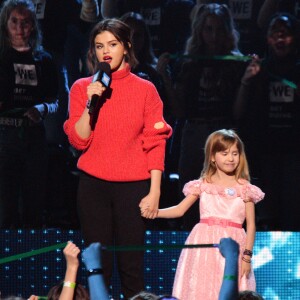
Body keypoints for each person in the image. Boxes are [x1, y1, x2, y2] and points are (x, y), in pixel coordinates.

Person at [63, 18, 172, 299]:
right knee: (98, 267)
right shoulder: (81, 88)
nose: (106, 52)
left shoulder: (145, 89)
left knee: (131, 268)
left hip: (134, 188)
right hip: (93, 187)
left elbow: (156, 142)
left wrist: (155, 191)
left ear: (127, 46)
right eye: (99, 46)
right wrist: (91, 102)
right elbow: (78, 140)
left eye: (112, 44)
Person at [141, 129, 264, 300]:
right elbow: (179, 209)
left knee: (231, 284)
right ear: (213, 156)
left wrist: (247, 257)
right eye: (225, 153)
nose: (231, 158)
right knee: (201, 287)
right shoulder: (202, 185)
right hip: (204, 243)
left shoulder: (245, 188)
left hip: (233, 243)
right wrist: (155, 213)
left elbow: (250, 225)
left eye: (235, 153)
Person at [158, 3, 247, 230]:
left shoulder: (236, 64)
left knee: (226, 199)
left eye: (219, 30)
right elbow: (179, 111)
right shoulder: (189, 63)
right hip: (195, 132)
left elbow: (238, 112)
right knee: (190, 196)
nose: (214, 36)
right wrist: (165, 78)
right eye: (209, 29)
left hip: (224, 133)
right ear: (200, 31)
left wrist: (247, 79)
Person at [234, 13, 300, 231]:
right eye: (275, 33)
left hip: (294, 151)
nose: (280, 39)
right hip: (266, 152)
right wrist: (250, 80)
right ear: (267, 39)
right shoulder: (260, 68)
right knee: (268, 214)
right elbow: (241, 113)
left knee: (292, 213)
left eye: (286, 34)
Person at [0, 0, 58, 228]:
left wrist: (41, 109)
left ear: (33, 25)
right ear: (5, 24)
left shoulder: (44, 59)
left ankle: (32, 258)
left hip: (33, 136)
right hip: (4, 135)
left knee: (34, 204)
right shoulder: (2, 57)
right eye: (14, 22)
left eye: (25, 22)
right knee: (6, 206)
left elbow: (55, 100)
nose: (19, 28)